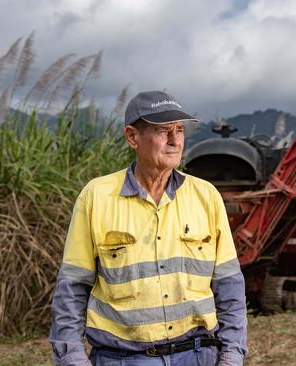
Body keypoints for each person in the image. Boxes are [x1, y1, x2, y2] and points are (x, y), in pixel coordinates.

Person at [49, 90, 247, 366]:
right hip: (123, 359)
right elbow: (71, 290)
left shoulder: (206, 196)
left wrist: (231, 355)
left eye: (179, 130)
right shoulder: (96, 197)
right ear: (132, 137)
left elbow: (229, 286)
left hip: (199, 356)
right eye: (163, 131)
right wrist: (72, 359)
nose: (175, 140)